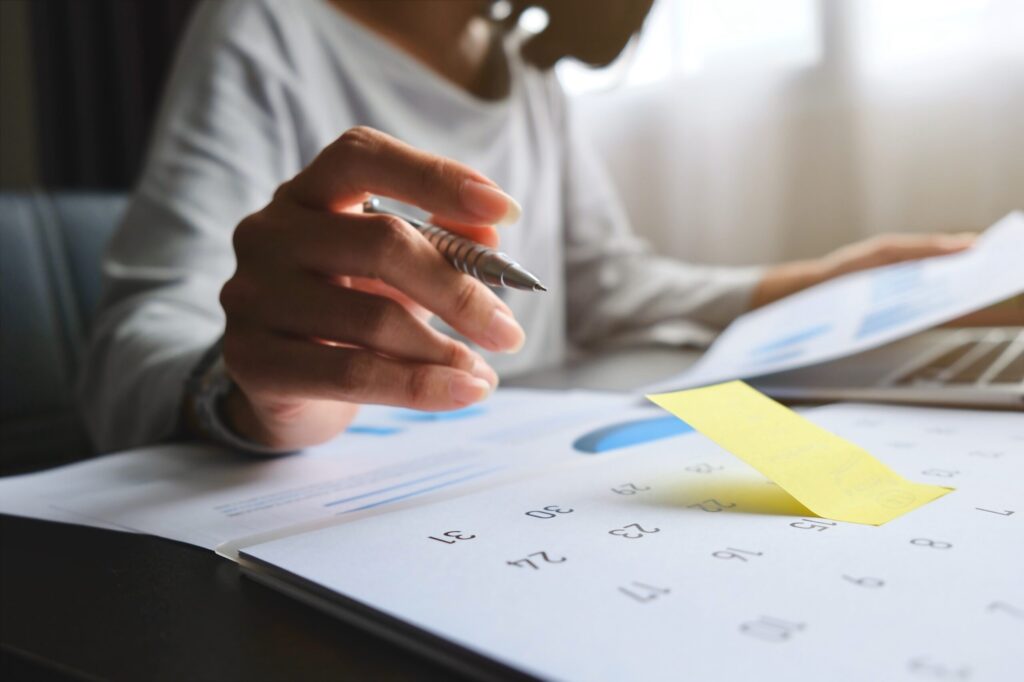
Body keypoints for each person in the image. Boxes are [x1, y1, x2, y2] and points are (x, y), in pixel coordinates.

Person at [80, 0, 975, 454]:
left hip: (507, 462)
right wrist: (257, 395)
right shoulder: (267, 28)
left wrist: (845, 278)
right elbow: (135, 341)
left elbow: (609, 282)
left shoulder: (525, 74)